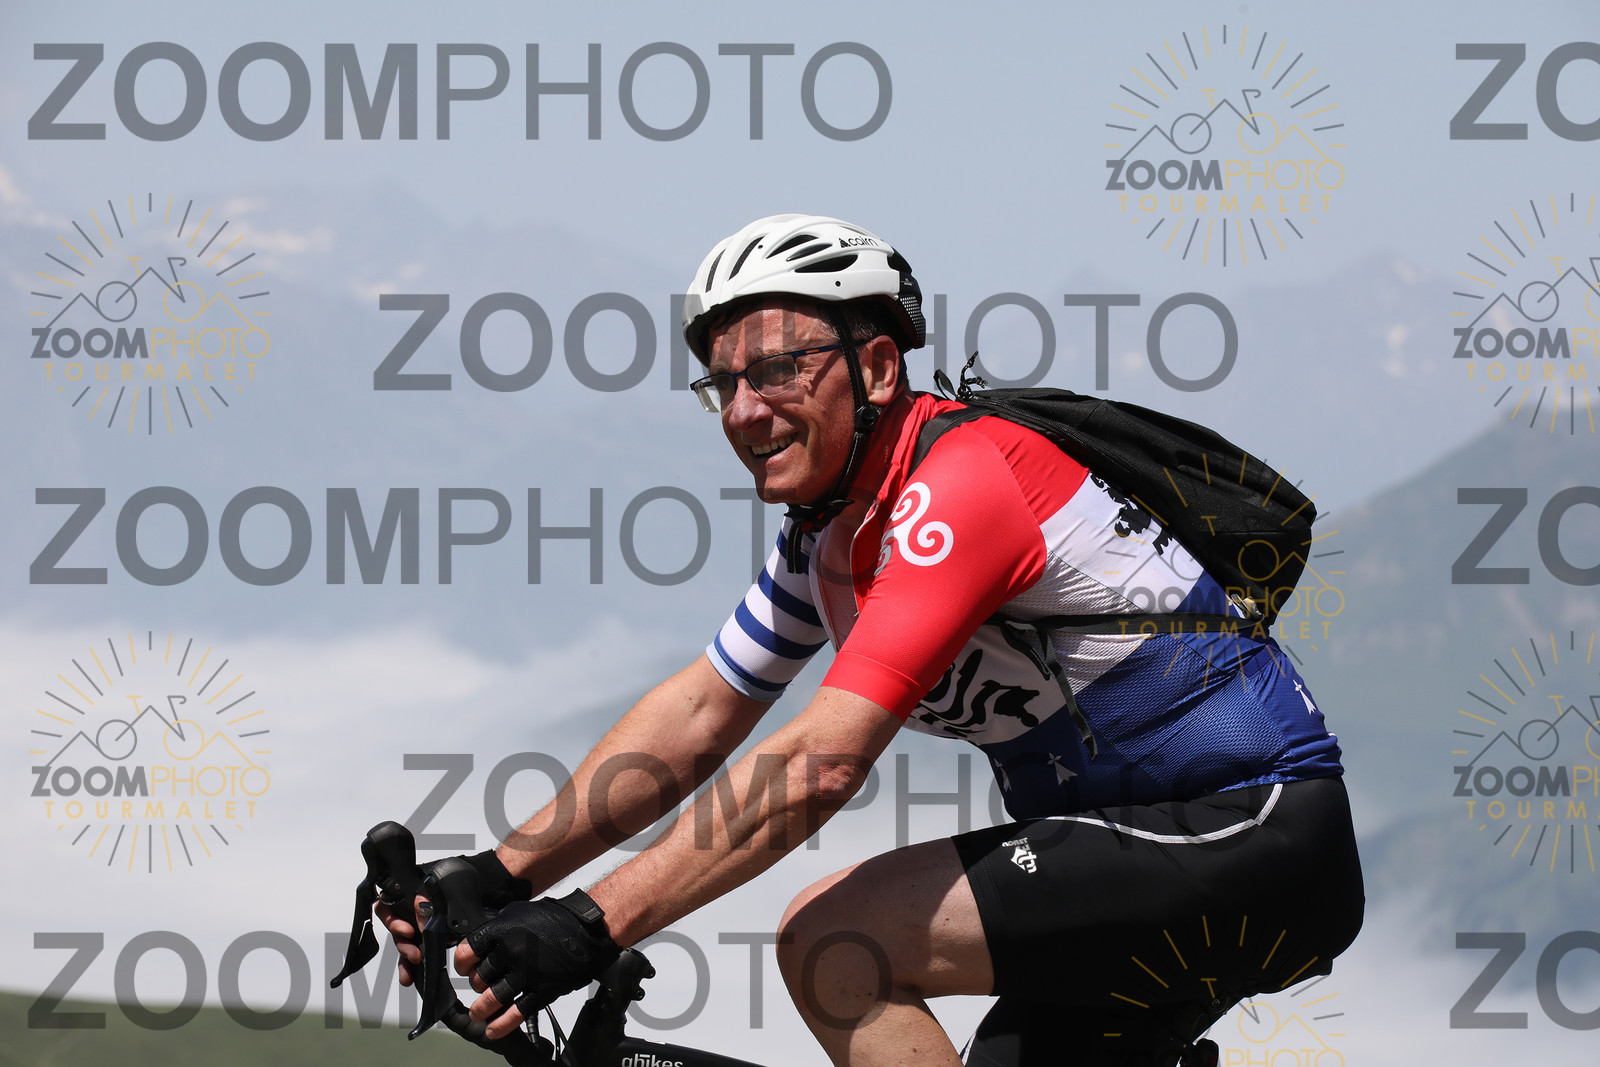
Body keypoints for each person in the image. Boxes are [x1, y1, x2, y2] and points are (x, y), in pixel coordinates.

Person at [378, 214, 1364, 1067]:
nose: (743, 411)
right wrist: (501, 874)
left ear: (879, 368)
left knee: (836, 942)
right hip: (1139, 859)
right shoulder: (831, 532)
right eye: (722, 383)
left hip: (1254, 833)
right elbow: (702, 712)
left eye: (777, 370)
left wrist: (592, 922)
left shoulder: (959, 484)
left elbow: (819, 763)